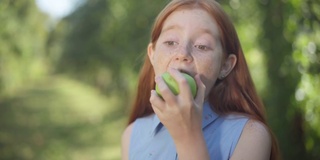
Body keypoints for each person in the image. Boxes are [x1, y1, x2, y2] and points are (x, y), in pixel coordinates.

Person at [121, 0, 280, 159]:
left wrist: (188, 136)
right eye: (170, 42)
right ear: (152, 55)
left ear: (225, 66)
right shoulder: (132, 136)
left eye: (202, 46)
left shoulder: (251, 135)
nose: (182, 53)